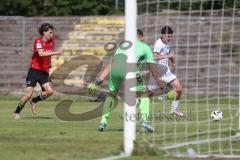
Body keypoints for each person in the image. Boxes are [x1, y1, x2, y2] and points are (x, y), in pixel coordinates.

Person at [88, 29, 165, 132]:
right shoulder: (145, 47)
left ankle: (103, 123)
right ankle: (144, 121)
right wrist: (163, 87)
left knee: (111, 95)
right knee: (144, 95)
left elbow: (111, 64)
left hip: (115, 70)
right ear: (142, 37)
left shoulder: (123, 45)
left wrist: (98, 81)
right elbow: (153, 70)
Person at [13, 23, 64, 119]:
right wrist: (56, 52)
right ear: (44, 33)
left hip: (44, 72)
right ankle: (16, 112)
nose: (52, 34)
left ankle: (34, 100)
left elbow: (47, 53)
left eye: (52, 33)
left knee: (50, 91)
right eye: (50, 32)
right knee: (28, 94)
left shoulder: (52, 41)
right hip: (34, 70)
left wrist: (49, 63)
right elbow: (41, 54)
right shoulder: (38, 41)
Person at [148, 26, 183, 116]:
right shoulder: (158, 44)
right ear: (163, 35)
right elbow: (154, 57)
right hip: (158, 72)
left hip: (166, 71)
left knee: (179, 89)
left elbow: (169, 52)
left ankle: (174, 110)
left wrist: (173, 62)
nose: (170, 38)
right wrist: (168, 56)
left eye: (171, 36)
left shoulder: (167, 42)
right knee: (148, 93)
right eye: (168, 36)